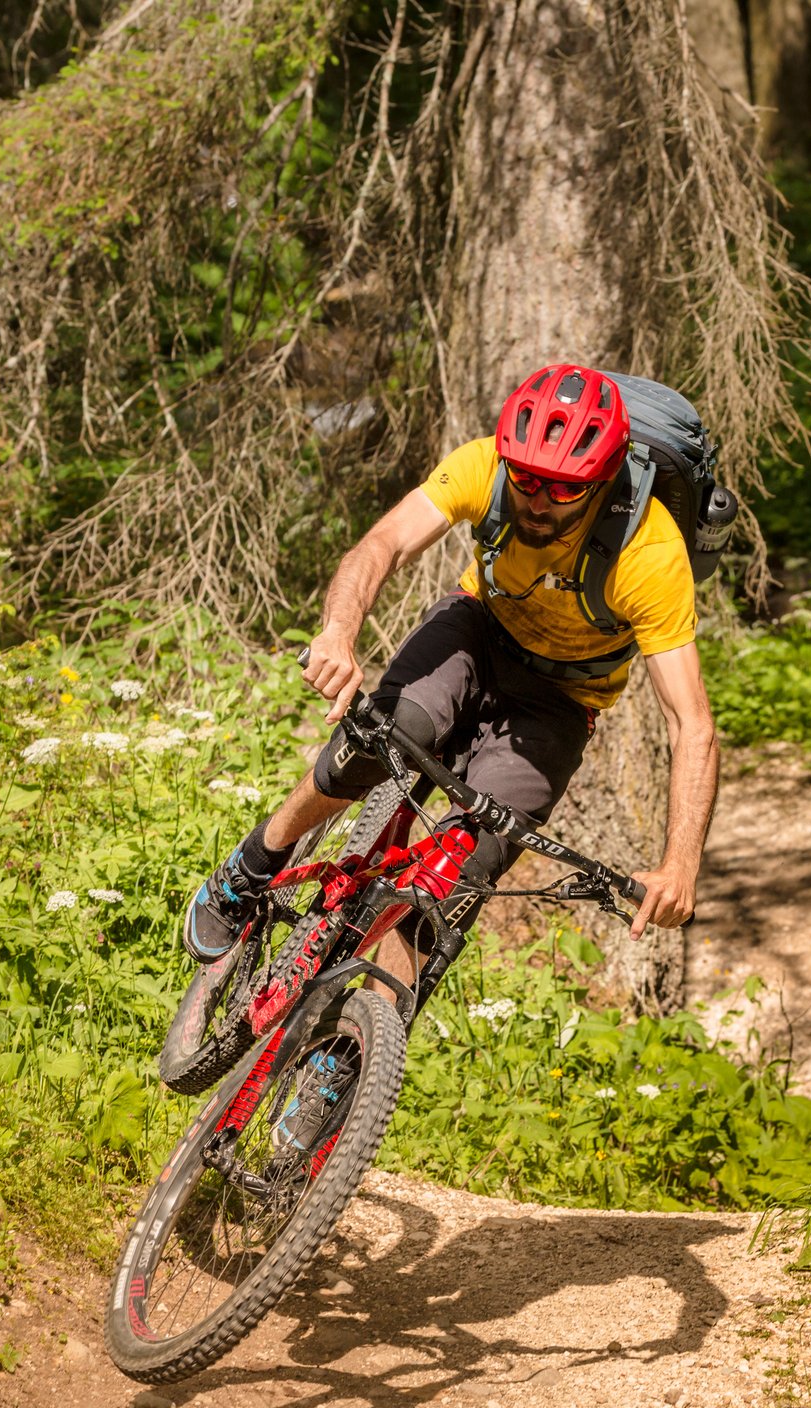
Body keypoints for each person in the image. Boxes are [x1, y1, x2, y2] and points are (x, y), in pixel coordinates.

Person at [180, 363, 718, 991]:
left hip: (561, 698)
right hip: (475, 633)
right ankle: (254, 863)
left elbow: (692, 724)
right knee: (384, 736)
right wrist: (338, 632)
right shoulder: (485, 466)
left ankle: (353, 1055)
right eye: (528, 479)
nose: (538, 501)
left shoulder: (648, 554)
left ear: (602, 480)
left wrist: (681, 863)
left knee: (457, 877)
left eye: (564, 489)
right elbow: (385, 544)